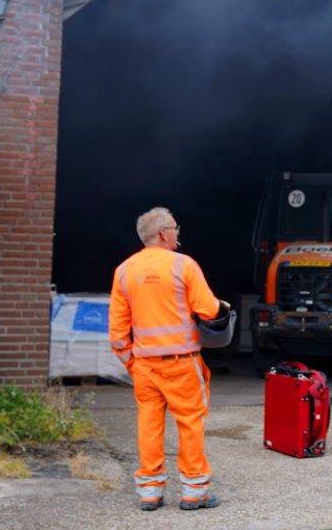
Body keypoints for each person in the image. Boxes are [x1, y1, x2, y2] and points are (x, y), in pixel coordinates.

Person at [108, 207, 229, 512]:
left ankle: (150, 492)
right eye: (175, 228)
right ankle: (194, 491)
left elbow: (117, 331)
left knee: (149, 425)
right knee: (189, 423)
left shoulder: (124, 271)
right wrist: (222, 306)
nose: (178, 233)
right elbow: (207, 310)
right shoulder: (183, 265)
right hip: (181, 363)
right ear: (164, 233)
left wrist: (131, 362)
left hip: (145, 367)